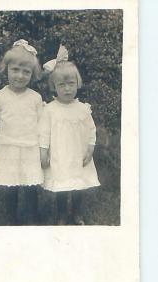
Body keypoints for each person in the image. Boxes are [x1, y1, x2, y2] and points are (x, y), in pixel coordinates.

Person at [39, 45, 100, 225]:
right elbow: (43, 133)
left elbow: (91, 130)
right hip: (59, 156)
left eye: (71, 84)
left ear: (77, 83)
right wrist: (43, 153)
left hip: (78, 155)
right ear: (54, 86)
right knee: (62, 187)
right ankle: (62, 214)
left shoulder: (83, 108)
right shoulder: (49, 110)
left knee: (78, 186)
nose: (67, 89)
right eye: (62, 85)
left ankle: (77, 213)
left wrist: (90, 149)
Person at [0, 39, 43, 225]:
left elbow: (42, 126)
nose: (20, 76)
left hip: (29, 148)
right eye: (15, 70)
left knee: (31, 187)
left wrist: (43, 150)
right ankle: (11, 221)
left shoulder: (35, 98)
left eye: (26, 72)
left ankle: (32, 220)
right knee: (10, 187)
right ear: (7, 68)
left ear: (32, 74)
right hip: (7, 148)